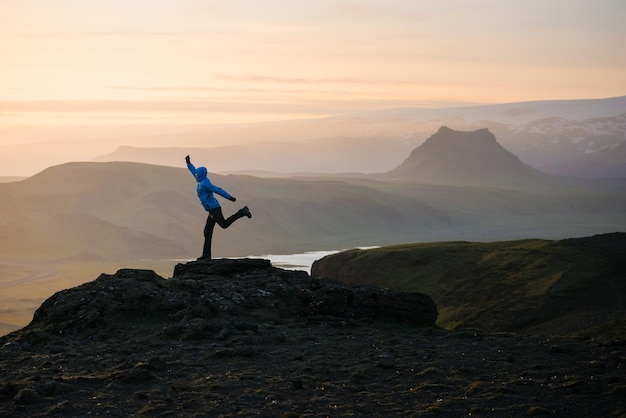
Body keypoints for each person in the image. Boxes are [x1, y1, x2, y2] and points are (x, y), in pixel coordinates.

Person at [185, 155, 251, 260]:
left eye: (197, 174)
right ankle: (206, 255)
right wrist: (188, 163)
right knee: (207, 232)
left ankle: (242, 212)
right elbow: (194, 171)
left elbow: (217, 189)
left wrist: (229, 197)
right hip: (211, 210)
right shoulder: (200, 180)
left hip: (214, 209)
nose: (196, 175)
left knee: (224, 224)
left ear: (201, 174)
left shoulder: (206, 183)